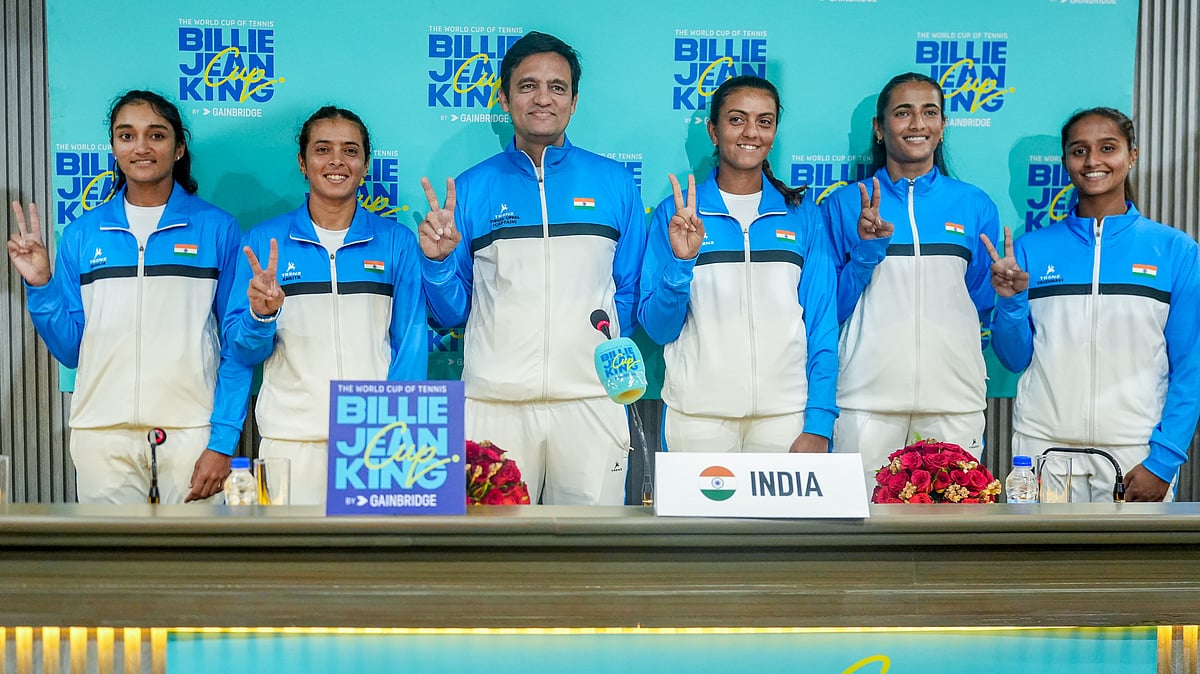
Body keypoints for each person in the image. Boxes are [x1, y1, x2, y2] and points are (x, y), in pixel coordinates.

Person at [419, 31, 646, 505]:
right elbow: (452, 313)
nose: (543, 98)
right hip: (494, 403)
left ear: (574, 101)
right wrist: (438, 265)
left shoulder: (614, 182)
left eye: (557, 87)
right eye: (527, 86)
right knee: (488, 564)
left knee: (591, 563)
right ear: (504, 98)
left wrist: (591, 353)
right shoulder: (471, 188)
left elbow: (625, 290)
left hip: (590, 403)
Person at [7, 90, 241, 503]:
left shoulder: (217, 229)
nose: (141, 147)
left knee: (200, 567)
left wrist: (222, 441)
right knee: (111, 568)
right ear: (114, 148)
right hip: (102, 435)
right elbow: (71, 349)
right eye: (127, 135)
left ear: (179, 147)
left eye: (156, 135)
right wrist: (41, 285)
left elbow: (238, 348)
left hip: (191, 432)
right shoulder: (82, 233)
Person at [986, 107, 1200, 503]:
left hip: (1136, 454)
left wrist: (1163, 461)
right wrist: (1011, 302)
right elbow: (1013, 359)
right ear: (1066, 160)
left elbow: (1191, 367)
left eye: (1108, 148)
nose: (1093, 161)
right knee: (1041, 567)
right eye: (1079, 151)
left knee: (1128, 569)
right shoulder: (1032, 247)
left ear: (1131, 156)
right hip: (1042, 450)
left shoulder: (1175, 250)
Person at [223, 106, 428, 505]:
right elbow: (241, 349)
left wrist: (397, 430)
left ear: (365, 165)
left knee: (376, 565)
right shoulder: (266, 241)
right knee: (288, 566)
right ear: (303, 162)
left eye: (350, 150)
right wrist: (261, 317)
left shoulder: (396, 241)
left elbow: (411, 344)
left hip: (377, 441)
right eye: (322, 149)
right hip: (288, 442)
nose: (337, 161)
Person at [638, 75, 838, 453]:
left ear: (775, 131)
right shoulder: (679, 213)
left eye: (764, 121)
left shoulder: (802, 216)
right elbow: (659, 328)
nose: (751, 132)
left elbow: (822, 325)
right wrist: (682, 264)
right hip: (697, 419)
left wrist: (820, 420)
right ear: (713, 131)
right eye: (736, 119)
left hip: (786, 418)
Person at [824, 72, 1000, 481]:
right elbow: (828, 307)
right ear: (880, 129)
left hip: (954, 404)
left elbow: (983, 307)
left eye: (929, 112)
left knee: (951, 538)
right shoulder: (846, 203)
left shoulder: (973, 204)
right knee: (861, 538)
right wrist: (866, 253)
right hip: (863, 402)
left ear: (942, 126)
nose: (917, 124)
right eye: (903, 113)